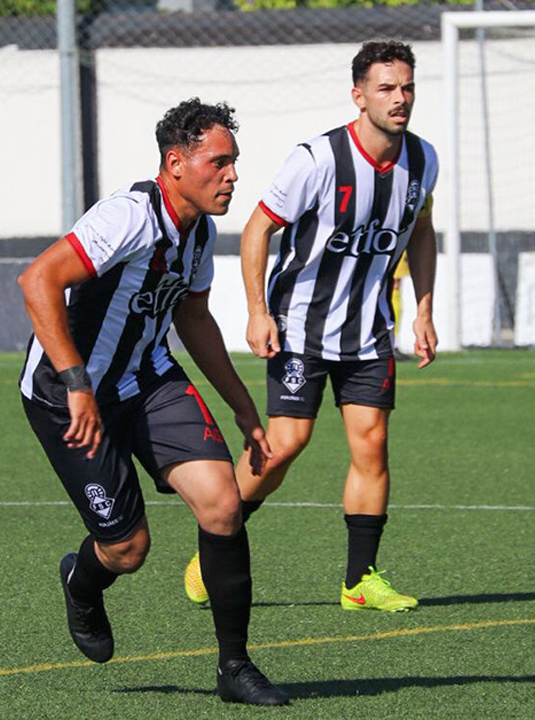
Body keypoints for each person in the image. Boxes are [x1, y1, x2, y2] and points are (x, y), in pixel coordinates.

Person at [18, 98, 289, 706]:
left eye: (234, 162)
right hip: (68, 399)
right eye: (219, 162)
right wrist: (78, 385)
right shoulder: (128, 217)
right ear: (176, 163)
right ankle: (83, 580)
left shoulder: (200, 231)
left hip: (148, 380)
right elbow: (38, 280)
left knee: (223, 504)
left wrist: (244, 408)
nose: (233, 175)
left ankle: (234, 668)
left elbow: (193, 317)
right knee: (128, 549)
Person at [183, 40, 439, 613]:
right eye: (386, 89)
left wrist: (423, 309)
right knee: (284, 446)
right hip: (299, 328)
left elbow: (421, 229)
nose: (400, 100)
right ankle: (213, 544)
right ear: (358, 95)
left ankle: (359, 581)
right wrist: (255, 309)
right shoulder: (318, 160)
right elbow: (257, 229)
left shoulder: (423, 161)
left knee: (372, 446)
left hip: (368, 331)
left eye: (407, 88)